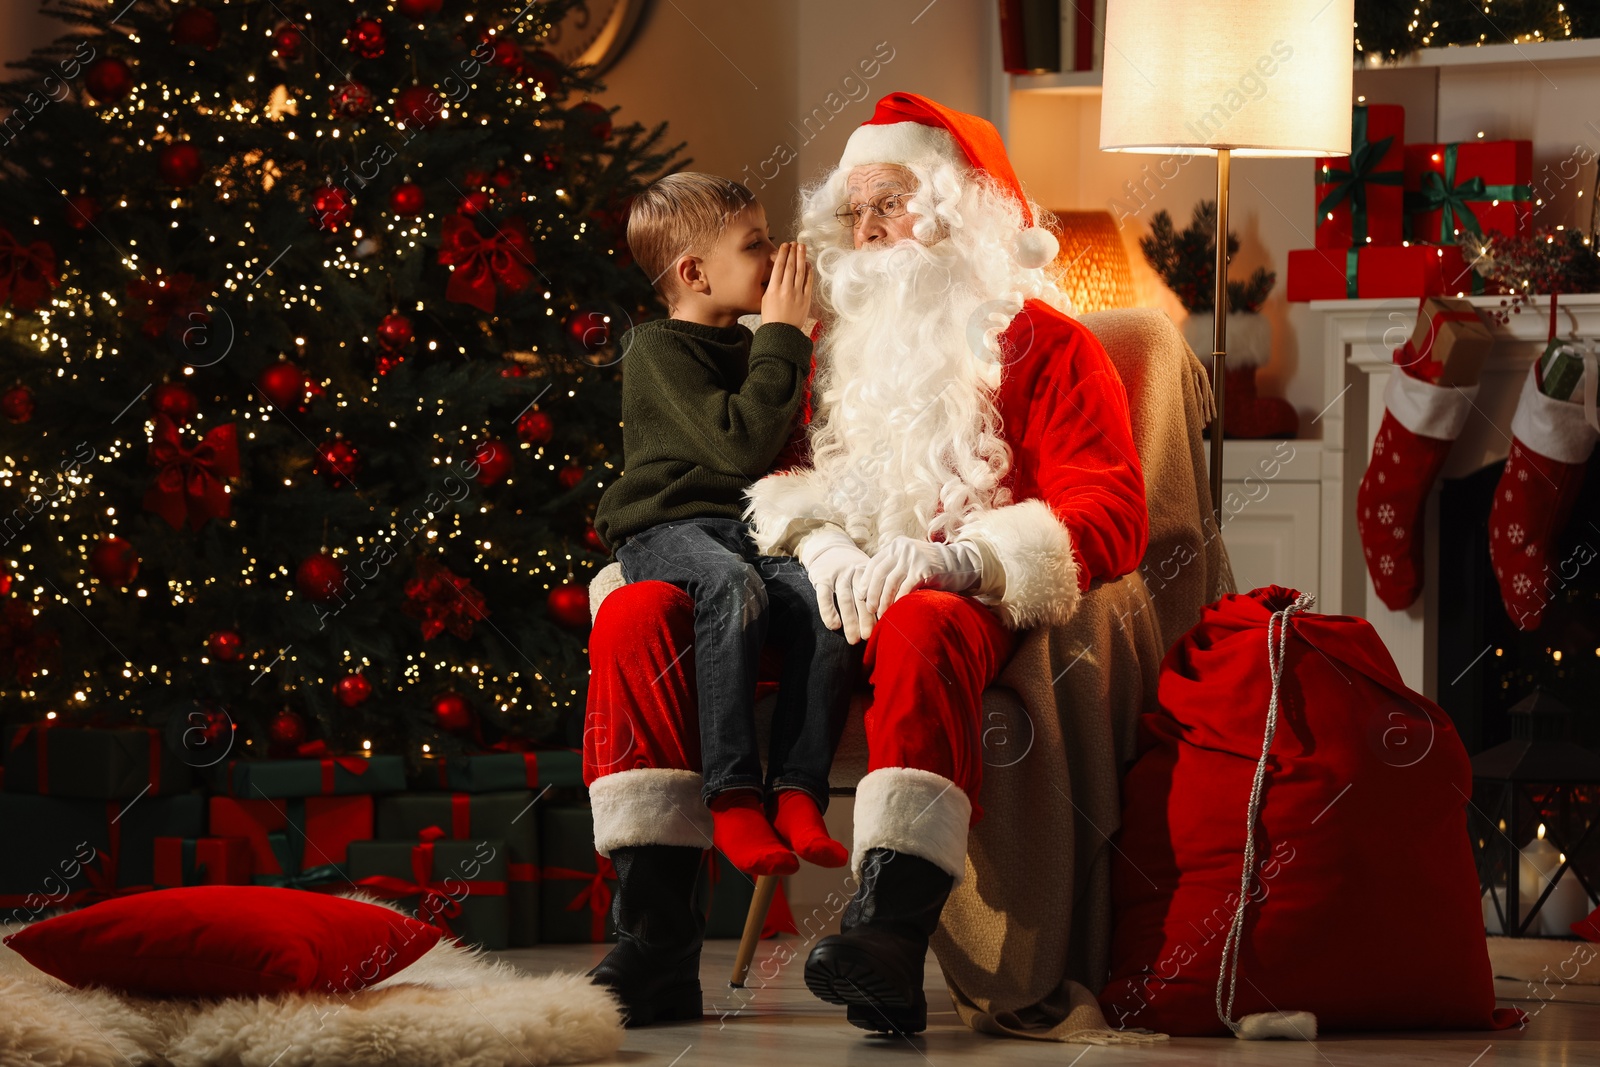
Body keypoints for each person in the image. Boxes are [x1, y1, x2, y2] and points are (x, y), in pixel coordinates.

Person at [584, 95, 1149, 1034]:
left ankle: (889, 933)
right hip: (810, 596)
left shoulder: (1052, 348)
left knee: (924, 623)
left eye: (890, 202)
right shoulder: (813, 349)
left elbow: (1111, 509)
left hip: (957, 598)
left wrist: (966, 560)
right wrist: (822, 537)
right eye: (852, 212)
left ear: (961, 208)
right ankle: (652, 946)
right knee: (640, 611)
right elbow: (761, 476)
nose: (868, 230)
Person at [592, 172, 862, 893]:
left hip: (743, 525)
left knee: (821, 600)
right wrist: (781, 335)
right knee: (730, 584)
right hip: (665, 524)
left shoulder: (754, 346)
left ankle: (799, 790)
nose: (774, 257)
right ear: (693, 273)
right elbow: (741, 444)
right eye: (755, 244)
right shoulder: (658, 349)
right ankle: (735, 795)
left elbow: (780, 444)